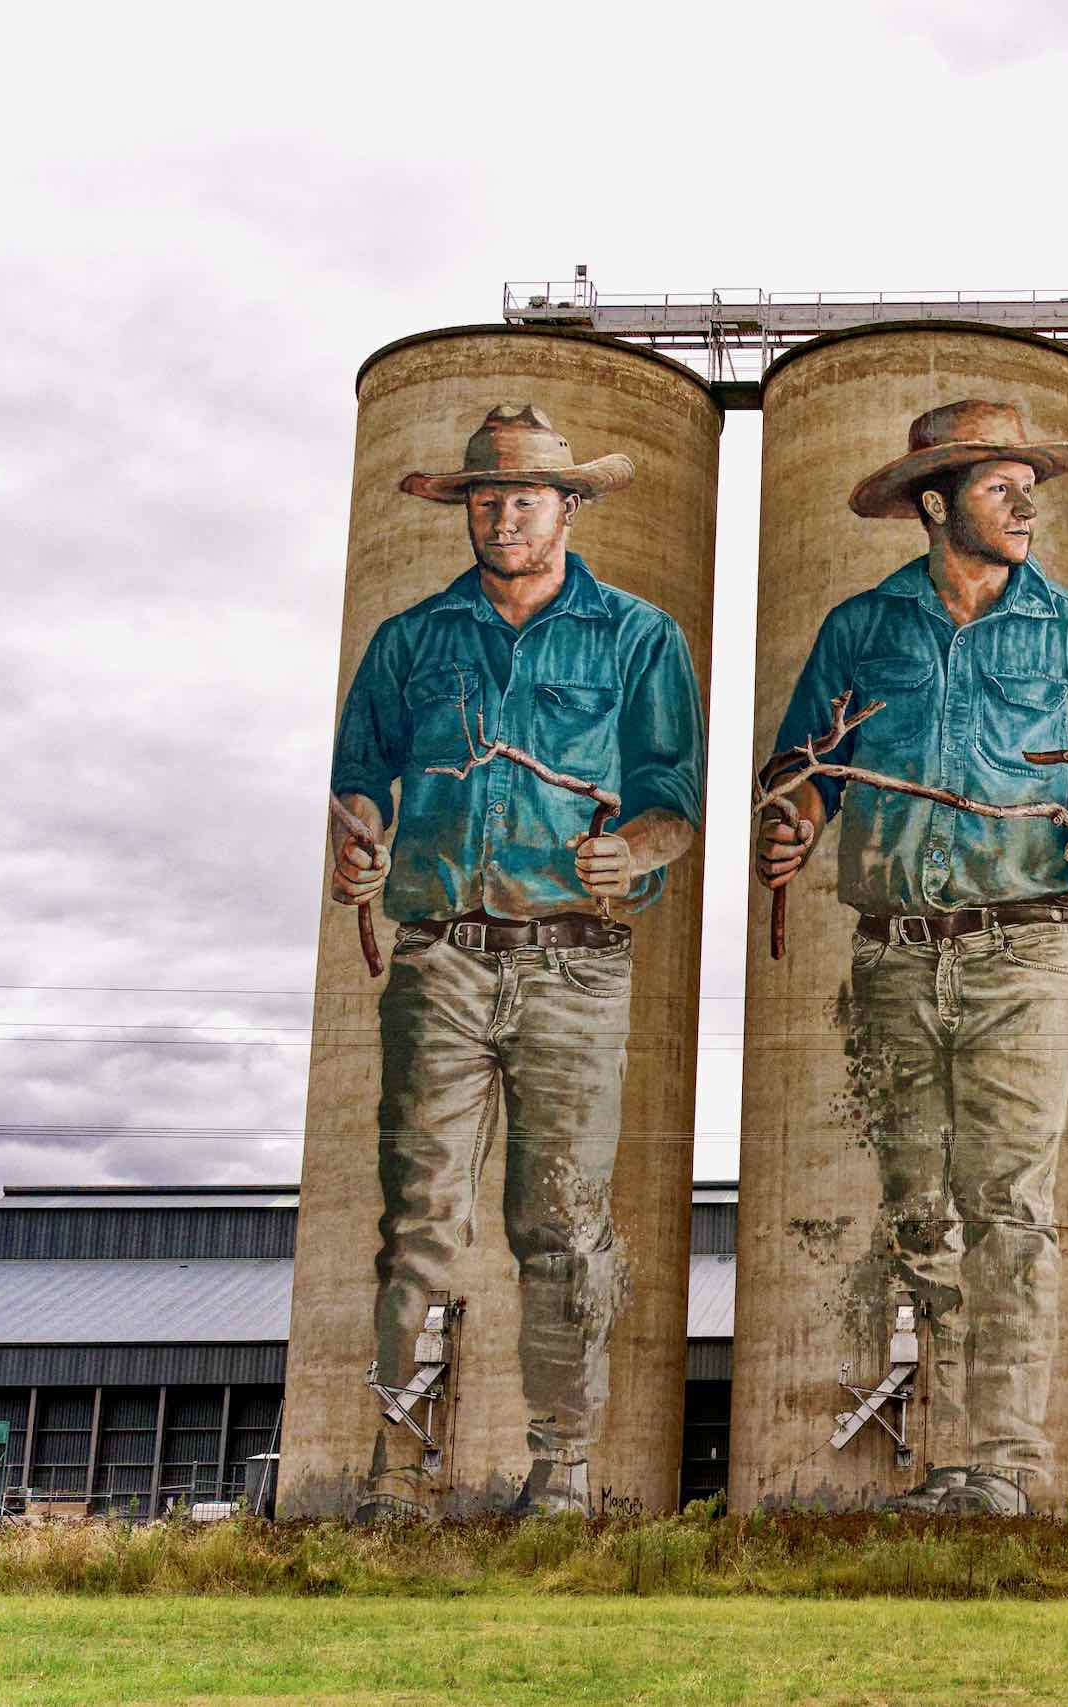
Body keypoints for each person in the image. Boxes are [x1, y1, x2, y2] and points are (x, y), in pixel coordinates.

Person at [759, 399, 1068, 1514]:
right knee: (918, 1210)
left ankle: (996, 1467)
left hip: (1025, 946)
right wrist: (797, 816)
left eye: (1029, 483)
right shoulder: (860, 631)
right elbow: (807, 765)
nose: (1026, 502)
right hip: (893, 953)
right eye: (1002, 485)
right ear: (937, 504)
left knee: (1007, 1204)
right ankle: (950, 1460)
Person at [328, 402, 705, 1513]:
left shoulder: (639, 638)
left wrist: (631, 853)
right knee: (417, 1217)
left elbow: (672, 797)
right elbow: (361, 775)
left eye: (524, 498)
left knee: (563, 1224)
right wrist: (359, 838)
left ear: (570, 507)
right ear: (465, 508)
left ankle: (564, 1471)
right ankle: (397, 1469)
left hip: (576, 963)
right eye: (484, 498)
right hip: (437, 956)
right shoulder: (409, 641)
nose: (501, 516)